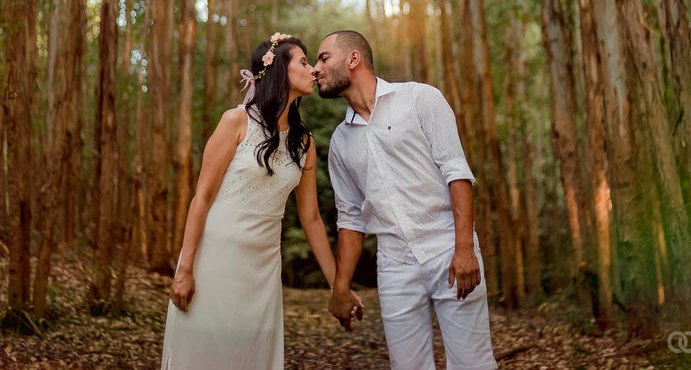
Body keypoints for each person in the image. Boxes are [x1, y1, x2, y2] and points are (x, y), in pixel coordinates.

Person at [161, 33, 356, 369]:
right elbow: (202, 198)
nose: (313, 71)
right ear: (279, 69)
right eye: (304, 62)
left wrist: (337, 285)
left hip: (264, 268)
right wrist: (185, 269)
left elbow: (310, 219)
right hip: (215, 261)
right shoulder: (235, 121)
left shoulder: (304, 142)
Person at [316, 30, 496, 370]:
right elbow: (350, 219)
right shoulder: (340, 142)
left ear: (353, 59)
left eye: (324, 58)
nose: (315, 69)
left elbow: (456, 172)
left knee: (473, 364)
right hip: (394, 264)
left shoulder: (419, 98)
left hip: (448, 250)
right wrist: (340, 287)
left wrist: (464, 249)